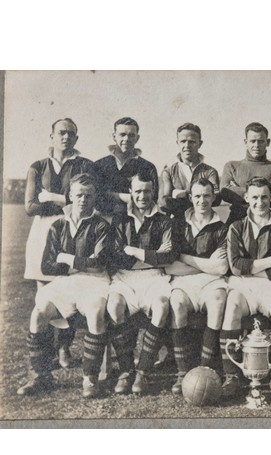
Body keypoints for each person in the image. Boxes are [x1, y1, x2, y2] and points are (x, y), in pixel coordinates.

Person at [17, 173, 112, 398]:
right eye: (79, 194)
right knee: (38, 313)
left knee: (97, 312)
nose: (83, 200)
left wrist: (66, 259)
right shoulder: (58, 225)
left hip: (95, 282)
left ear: (95, 197)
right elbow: (47, 267)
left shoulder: (101, 225)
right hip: (64, 283)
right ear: (70, 195)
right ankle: (41, 377)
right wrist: (78, 265)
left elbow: (99, 264)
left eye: (88, 195)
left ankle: (90, 379)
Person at [24, 118, 95, 368]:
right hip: (42, 230)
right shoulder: (38, 165)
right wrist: (65, 200)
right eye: (61, 133)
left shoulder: (84, 164)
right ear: (51, 135)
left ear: (76, 138)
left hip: (71, 227)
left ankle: (64, 349)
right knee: (43, 297)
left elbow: (87, 198)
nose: (66, 137)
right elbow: (30, 207)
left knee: (69, 291)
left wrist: (54, 197)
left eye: (71, 134)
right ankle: (45, 355)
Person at [221, 177, 271, 399]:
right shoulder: (236, 227)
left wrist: (254, 269)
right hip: (244, 285)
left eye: (264, 196)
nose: (260, 202)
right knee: (232, 306)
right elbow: (234, 266)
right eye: (254, 197)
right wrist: (269, 262)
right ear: (246, 198)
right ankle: (231, 375)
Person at [106, 169, 178, 396]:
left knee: (161, 306)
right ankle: (126, 370)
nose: (142, 196)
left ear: (154, 192)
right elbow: (114, 256)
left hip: (154, 277)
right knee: (114, 306)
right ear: (130, 192)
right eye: (137, 191)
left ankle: (142, 372)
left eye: (147, 191)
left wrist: (133, 251)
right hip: (124, 278)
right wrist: (150, 253)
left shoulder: (165, 220)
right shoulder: (119, 219)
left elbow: (168, 257)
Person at [164, 178, 228, 394]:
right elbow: (170, 267)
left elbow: (221, 269)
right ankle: (183, 371)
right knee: (177, 303)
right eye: (198, 196)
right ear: (190, 198)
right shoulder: (177, 225)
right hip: (183, 281)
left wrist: (185, 257)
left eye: (207, 195)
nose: (202, 200)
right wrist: (206, 264)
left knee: (218, 301)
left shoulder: (221, 227)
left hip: (212, 282)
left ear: (213, 198)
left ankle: (205, 367)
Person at [220, 122, 271, 226]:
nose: (256, 145)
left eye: (261, 141)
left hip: (267, 224)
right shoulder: (232, 166)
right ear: (245, 142)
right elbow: (225, 192)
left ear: (268, 142)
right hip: (236, 221)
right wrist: (266, 193)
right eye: (253, 141)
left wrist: (239, 192)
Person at [94, 117, 158, 217]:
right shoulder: (100, 165)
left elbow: (152, 200)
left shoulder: (148, 167)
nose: (126, 139)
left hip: (136, 222)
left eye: (131, 135)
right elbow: (95, 197)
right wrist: (124, 197)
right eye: (122, 135)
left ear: (137, 138)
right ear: (114, 136)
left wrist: (111, 195)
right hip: (105, 220)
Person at [160, 123, 220, 218]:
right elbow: (164, 202)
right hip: (177, 223)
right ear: (177, 143)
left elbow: (216, 199)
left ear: (200, 144)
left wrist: (181, 195)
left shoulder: (210, 172)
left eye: (192, 142)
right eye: (183, 141)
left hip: (203, 222)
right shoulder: (168, 172)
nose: (187, 145)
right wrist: (199, 198)